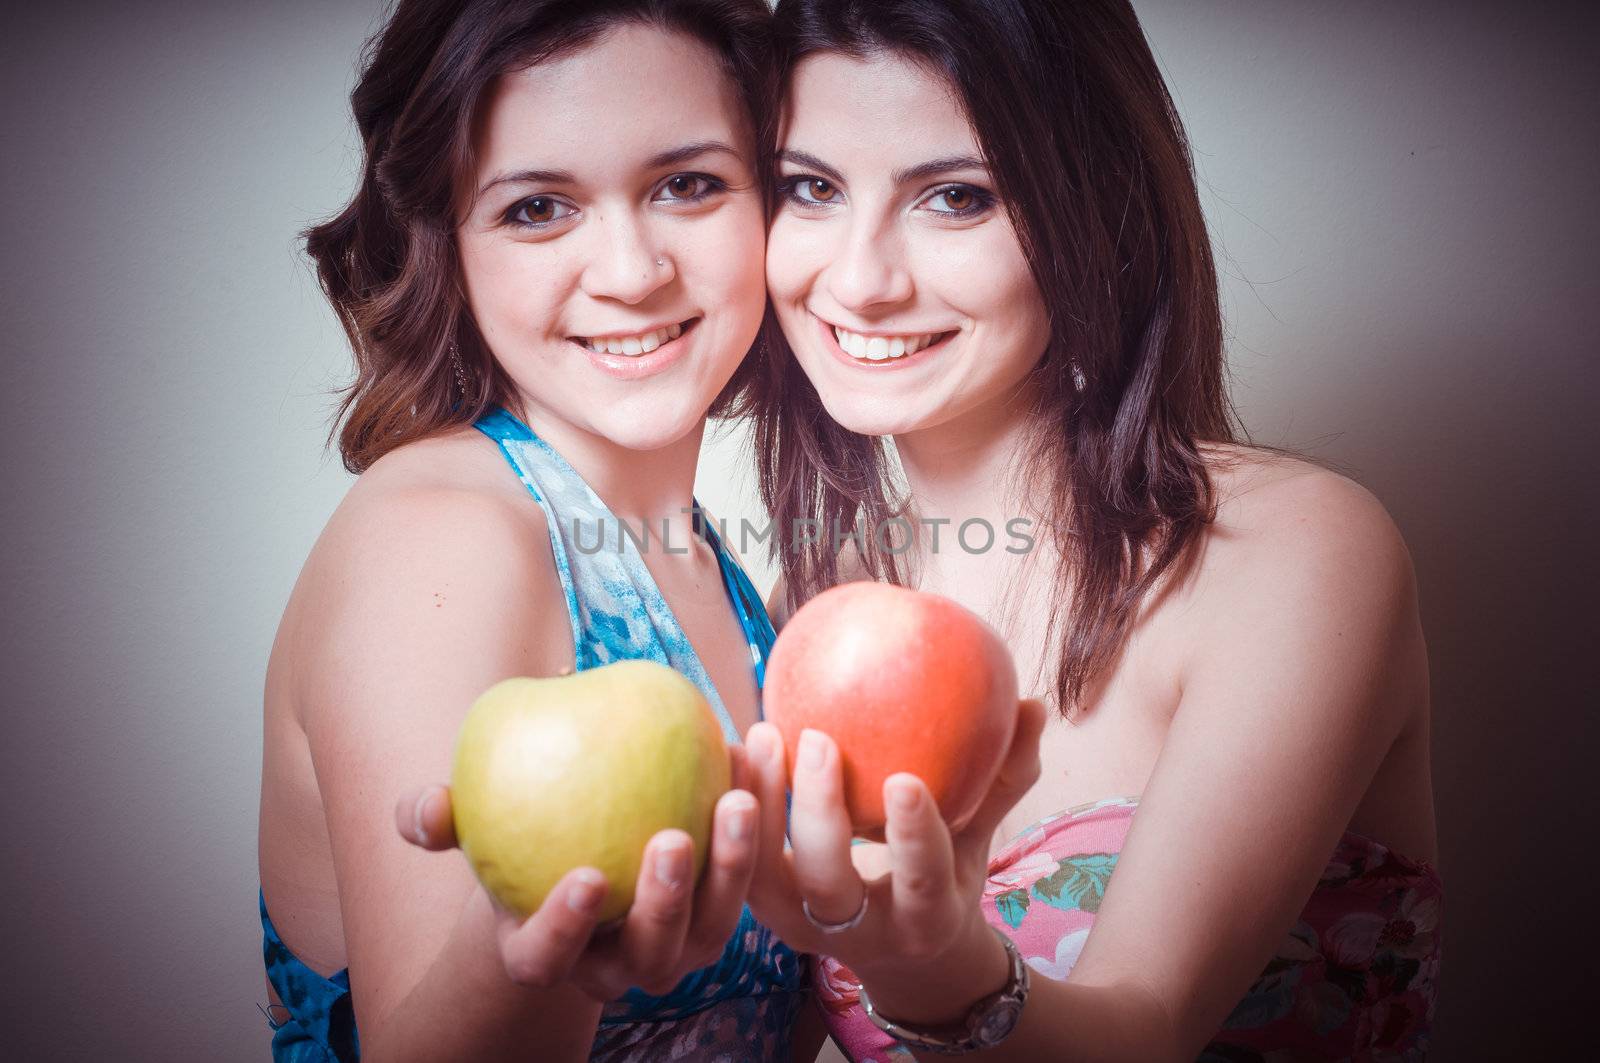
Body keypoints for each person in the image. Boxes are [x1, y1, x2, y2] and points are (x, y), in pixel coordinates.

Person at [738, 0, 1442, 1059]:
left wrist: (933, 972)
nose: (861, 280)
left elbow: (1145, 1030)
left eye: (957, 196)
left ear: (1093, 207)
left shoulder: (1291, 554)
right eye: (811, 188)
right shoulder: (804, 609)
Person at [256, 2, 818, 1059]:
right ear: (447, 247)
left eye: (688, 184)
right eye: (536, 209)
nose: (631, 270)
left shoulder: (723, 574)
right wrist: (540, 960)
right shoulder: (443, 535)